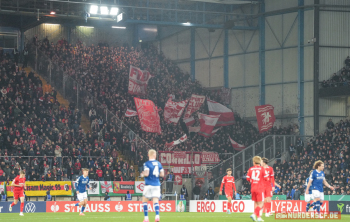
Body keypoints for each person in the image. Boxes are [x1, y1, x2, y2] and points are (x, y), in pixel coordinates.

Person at [141, 149, 164, 222]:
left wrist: (142, 174)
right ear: (154, 155)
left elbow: (147, 173)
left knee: (145, 200)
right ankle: (157, 216)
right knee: (156, 201)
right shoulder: (159, 163)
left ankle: (146, 218)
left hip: (148, 184)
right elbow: (162, 174)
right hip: (157, 184)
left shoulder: (146, 164)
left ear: (148, 155)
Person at [246, 156, 266, 222]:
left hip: (253, 188)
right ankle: (254, 214)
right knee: (261, 204)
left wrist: (252, 181)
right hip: (259, 188)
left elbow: (247, 178)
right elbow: (266, 178)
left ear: (254, 162)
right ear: (259, 162)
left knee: (256, 203)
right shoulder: (262, 169)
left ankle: (259, 218)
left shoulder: (251, 169)